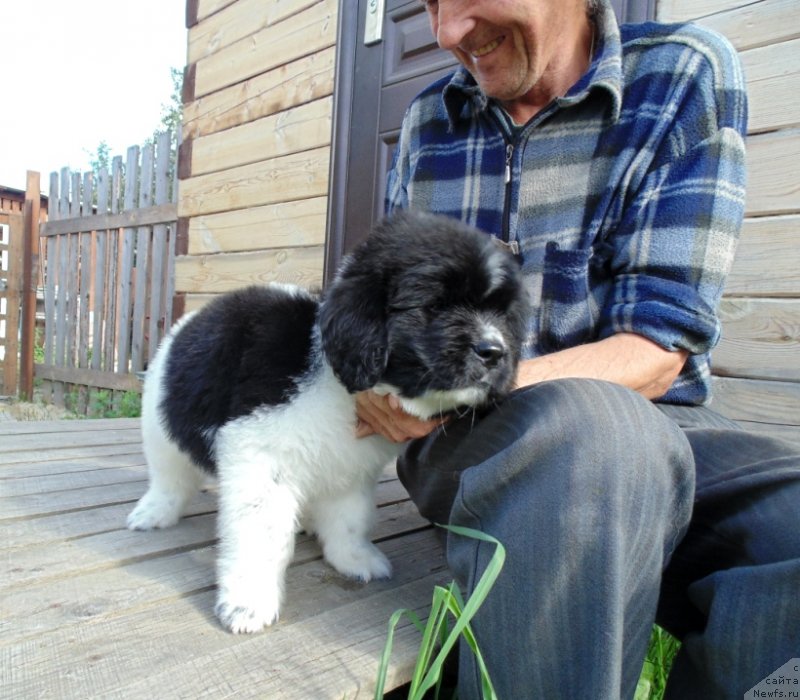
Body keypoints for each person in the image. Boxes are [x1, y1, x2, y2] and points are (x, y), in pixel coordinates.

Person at [354, 0, 800, 698]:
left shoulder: (683, 77)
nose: (446, 32)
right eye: (431, 3)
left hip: (663, 424)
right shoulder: (428, 121)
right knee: (595, 440)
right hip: (467, 432)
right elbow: (383, 298)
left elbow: (657, 348)